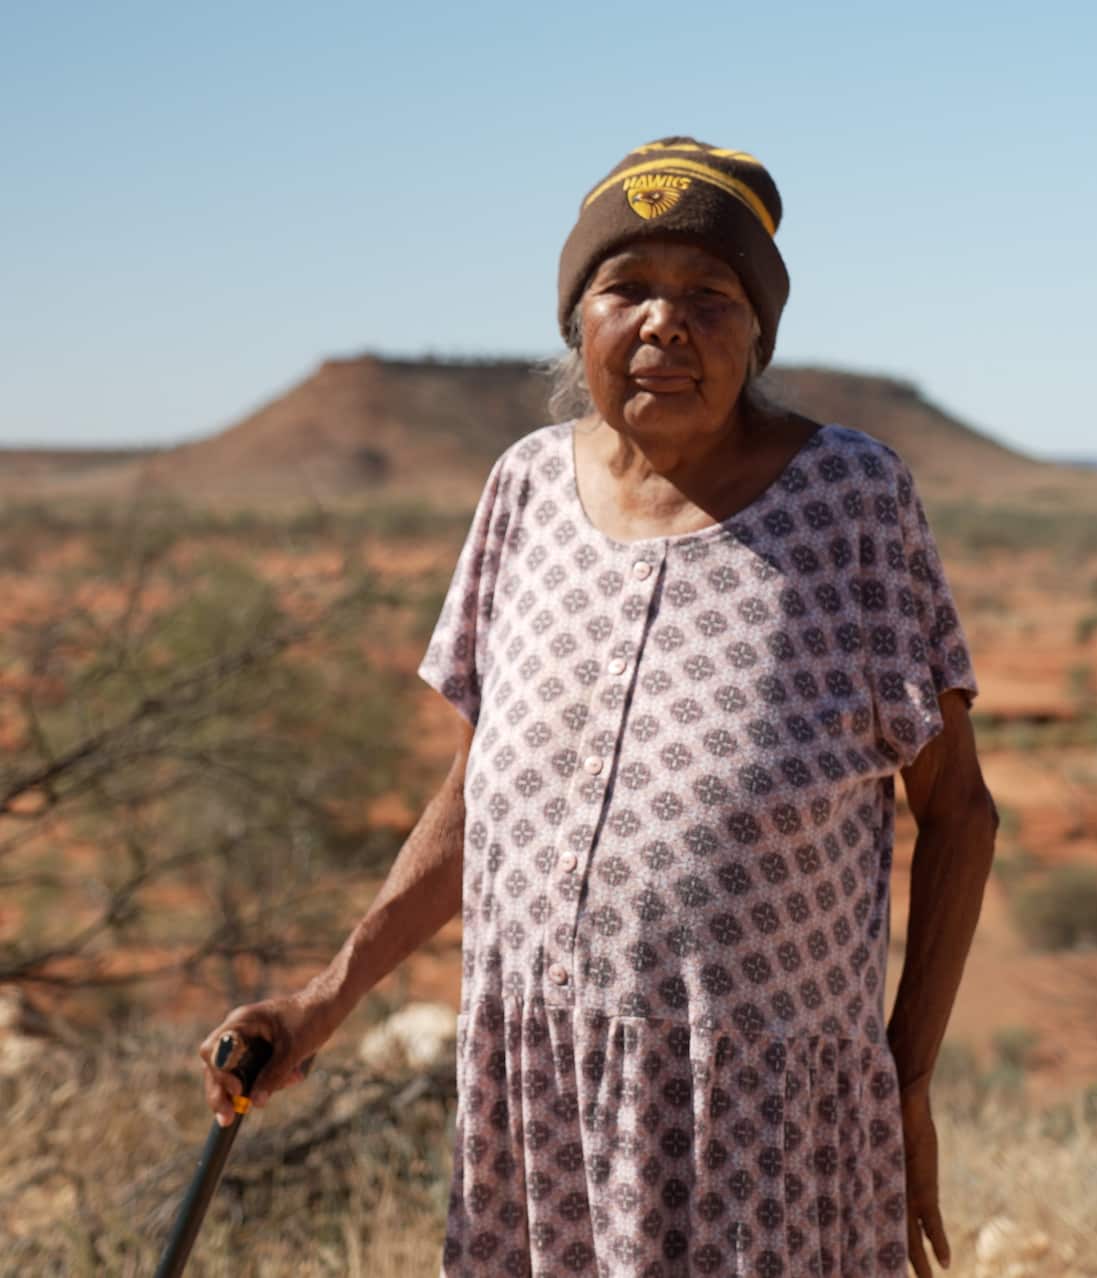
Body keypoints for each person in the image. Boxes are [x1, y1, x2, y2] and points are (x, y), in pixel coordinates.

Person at [200, 136, 998, 1278]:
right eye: (626, 289)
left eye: (710, 296)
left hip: (759, 1121)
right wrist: (324, 999)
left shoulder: (851, 498)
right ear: (578, 323)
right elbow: (483, 791)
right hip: (538, 1103)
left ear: (758, 332)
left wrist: (906, 1076)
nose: (666, 323)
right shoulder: (522, 486)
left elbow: (958, 811)